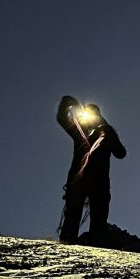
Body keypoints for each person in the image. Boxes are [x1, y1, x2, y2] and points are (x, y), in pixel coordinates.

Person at [56, 95, 126, 243]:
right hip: (79, 184)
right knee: (71, 222)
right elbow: (62, 119)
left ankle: (95, 251)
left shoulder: (106, 135)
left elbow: (121, 153)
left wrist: (107, 130)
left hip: (99, 184)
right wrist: (66, 104)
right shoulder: (79, 135)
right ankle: (65, 248)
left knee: (98, 223)